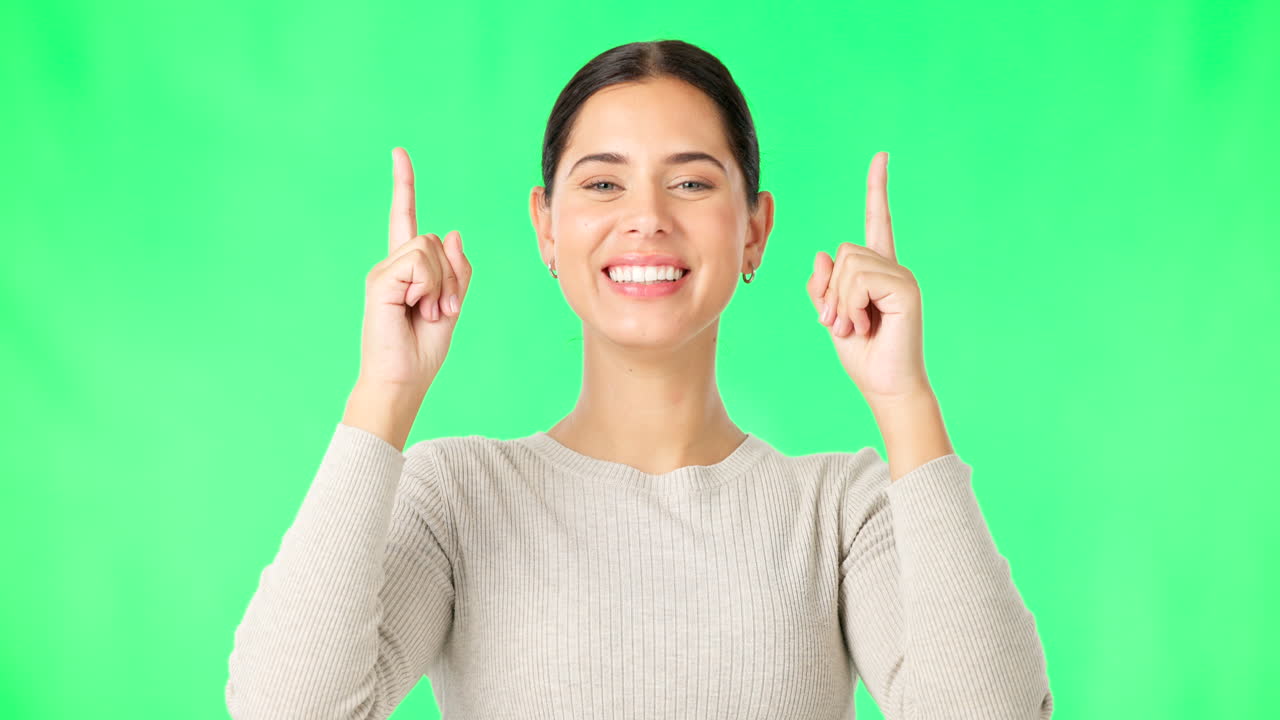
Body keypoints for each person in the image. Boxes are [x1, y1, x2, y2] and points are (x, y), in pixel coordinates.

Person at [225, 39, 1053, 719]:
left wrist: (905, 403)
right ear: (546, 227)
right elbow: (284, 710)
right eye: (603, 183)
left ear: (755, 230)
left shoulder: (839, 512)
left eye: (691, 181)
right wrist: (384, 395)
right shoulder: (457, 496)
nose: (647, 216)